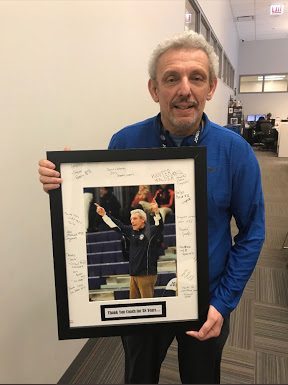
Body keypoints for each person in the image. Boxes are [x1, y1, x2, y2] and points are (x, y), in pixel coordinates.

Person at [38, 30, 265, 384]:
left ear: (211, 88)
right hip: (141, 301)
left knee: (202, 377)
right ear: (154, 89)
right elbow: (106, 202)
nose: (184, 89)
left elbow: (253, 232)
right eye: (171, 78)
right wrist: (65, 184)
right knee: (138, 375)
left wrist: (224, 302)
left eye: (197, 78)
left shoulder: (235, 152)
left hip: (208, 299)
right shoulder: (125, 141)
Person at [95, 200, 163, 299]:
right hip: (133, 275)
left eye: (135, 219)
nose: (132, 221)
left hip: (146, 275)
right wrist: (104, 215)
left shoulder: (150, 231)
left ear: (143, 220)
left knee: (147, 305)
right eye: (131, 219)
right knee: (133, 304)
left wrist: (156, 212)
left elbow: (159, 226)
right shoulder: (131, 231)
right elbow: (117, 225)